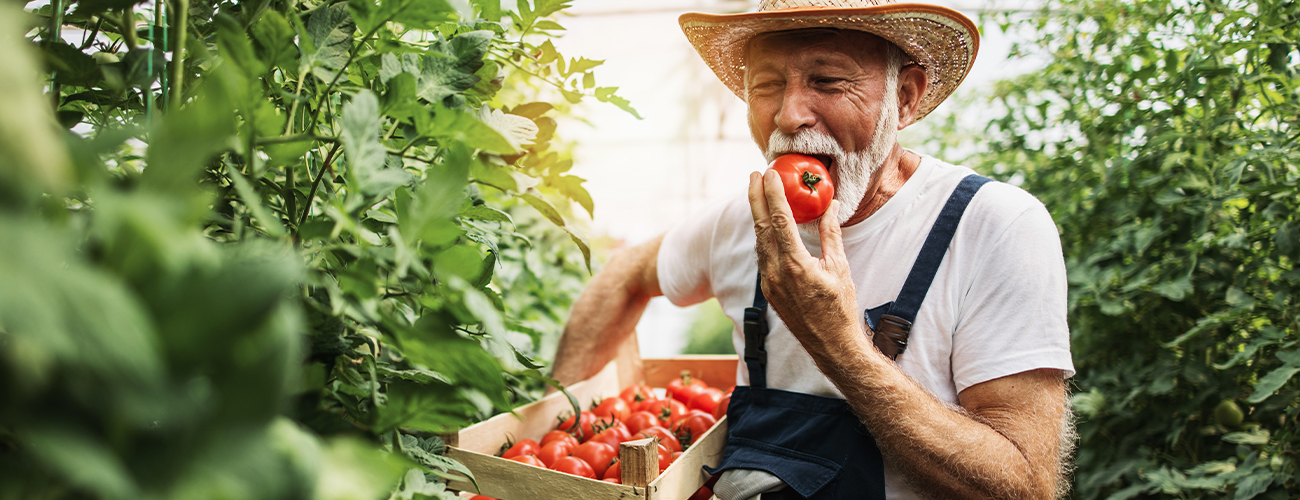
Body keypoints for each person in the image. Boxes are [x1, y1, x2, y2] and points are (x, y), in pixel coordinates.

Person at [550, 1, 1076, 498]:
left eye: (827, 81)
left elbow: (1026, 484)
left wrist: (841, 346)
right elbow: (623, 275)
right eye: (767, 85)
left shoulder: (993, 227)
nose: (788, 115)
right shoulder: (739, 221)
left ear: (906, 97)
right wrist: (564, 436)